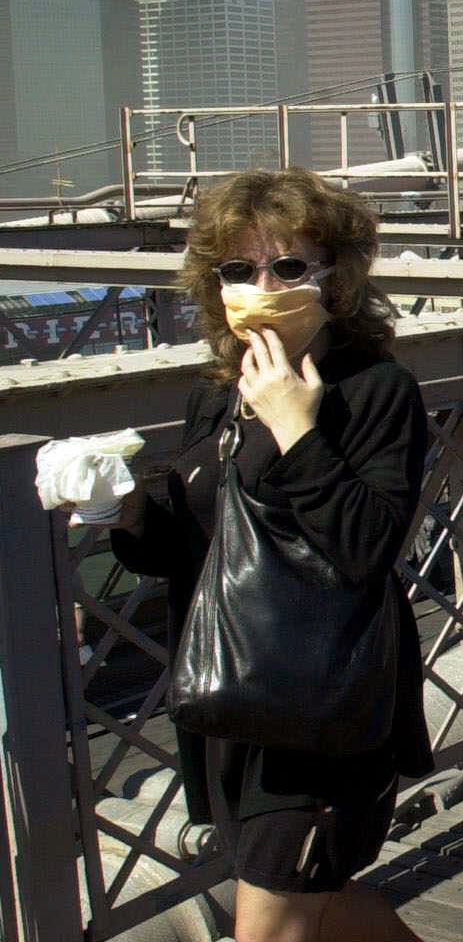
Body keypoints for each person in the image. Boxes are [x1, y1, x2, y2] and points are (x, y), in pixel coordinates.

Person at [98, 169, 430, 942]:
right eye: (238, 270)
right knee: (318, 903)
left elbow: (368, 548)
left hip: (323, 710)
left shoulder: (377, 390)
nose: (261, 285)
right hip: (235, 701)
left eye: (286, 266)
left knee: (271, 924)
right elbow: (193, 550)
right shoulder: (219, 392)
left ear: (334, 275)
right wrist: (121, 506)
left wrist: (297, 430)